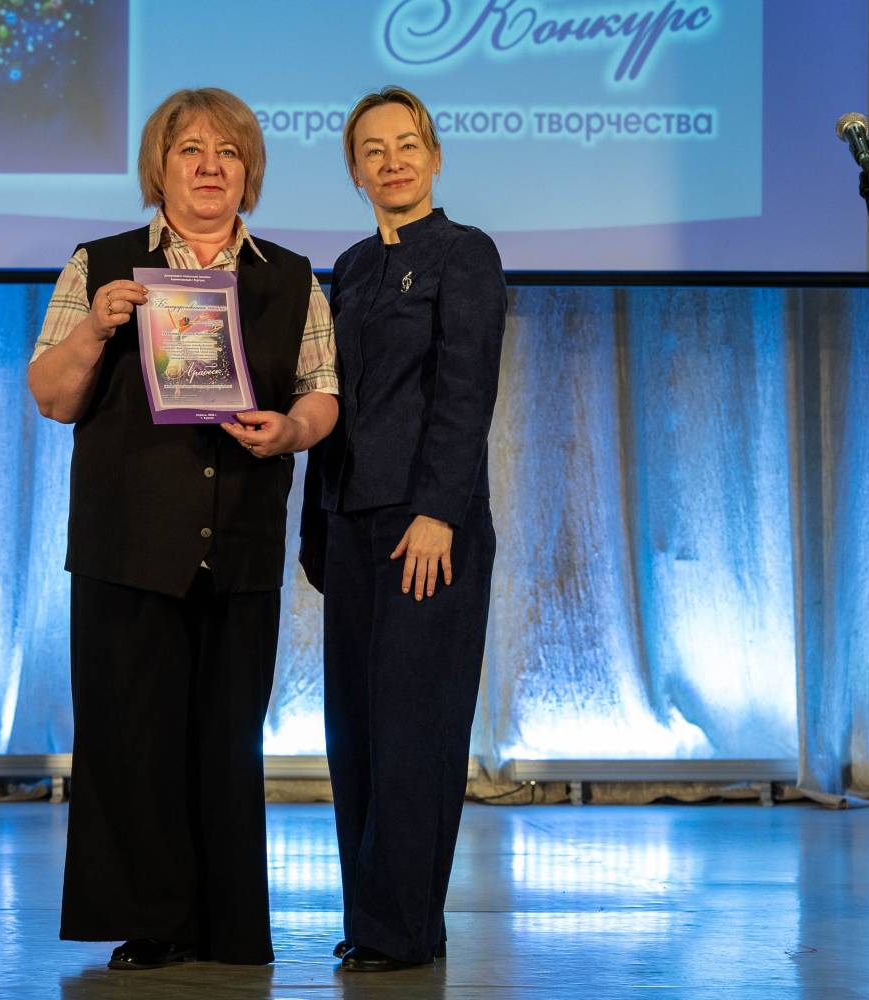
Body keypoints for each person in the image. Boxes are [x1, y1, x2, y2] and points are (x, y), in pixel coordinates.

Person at [27, 88, 338, 970]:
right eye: (190, 150)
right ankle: (152, 922)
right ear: (157, 168)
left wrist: (291, 430)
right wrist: (96, 329)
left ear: (250, 173)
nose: (209, 167)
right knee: (132, 741)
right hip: (126, 544)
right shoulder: (100, 266)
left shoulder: (292, 277)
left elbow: (321, 392)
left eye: (228, 153)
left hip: (241, 540)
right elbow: (51, 397)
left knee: (227, 741)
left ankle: (229, 926)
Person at [300, 86, 507, 972]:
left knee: (415, 731)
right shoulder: (347, 268)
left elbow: (465, 390)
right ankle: (374, 920)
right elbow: (327, 400)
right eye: (373, 150)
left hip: (429, 529)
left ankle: (406, 930)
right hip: (349, 524)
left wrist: (437, 512)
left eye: (407, 144)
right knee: (355, 734)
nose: (392, 162)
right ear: (355, 171)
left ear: (435, 157)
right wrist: (314, 526)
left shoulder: (466, 254)